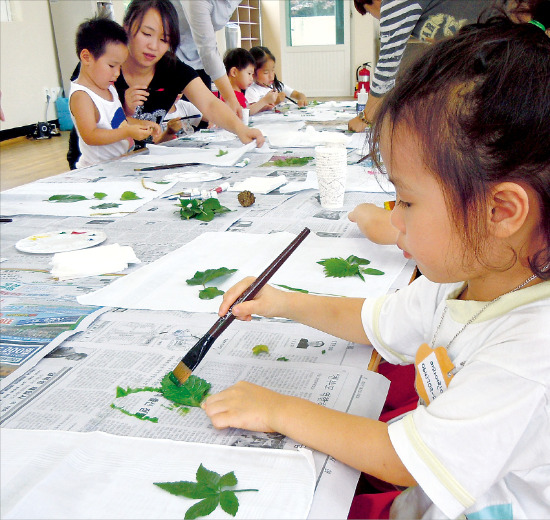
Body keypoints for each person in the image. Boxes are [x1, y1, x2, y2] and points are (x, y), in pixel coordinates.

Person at [202, 8, 550, 519]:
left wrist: (277, 409)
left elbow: (404, 460)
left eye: (406, 202)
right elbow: (371, 319)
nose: (396, 220)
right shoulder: (466, 278)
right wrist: (283, 302)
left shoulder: (530, 351)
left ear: (500, 211)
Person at [67, 0, 263, 169]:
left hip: (135, 161)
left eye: (164, 39)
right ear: (127, 27)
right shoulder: (101, 66)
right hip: (95, 164)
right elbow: (93, 128)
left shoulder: (171, 68)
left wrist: (241, 129)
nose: (154, 46)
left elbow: (209, 104)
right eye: (146, 33)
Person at [348, 0, 493, 133]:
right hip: (492, 53)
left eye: (373, 13)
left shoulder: (393, 3)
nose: (380, 19)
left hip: (505, 30)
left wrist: (365, 118)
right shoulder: (421, 13)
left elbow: (387, 66)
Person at [69, 16, 159, 169]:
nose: (117, 73)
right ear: (86, 57)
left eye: (120, 66)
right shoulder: (82, 96)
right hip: (96, 170)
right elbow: (90, 136)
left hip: (118, 163)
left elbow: (117, 121)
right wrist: (127, 132)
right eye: (111, 65)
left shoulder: (109, 87)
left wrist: (142, 124)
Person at [170, 0, 244, 117]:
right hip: (172, 55)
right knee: (181, 119)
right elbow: (207, 49)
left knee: (205, 118)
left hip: (198, 58)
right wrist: (231, 99)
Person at [222, 48, 278, 115]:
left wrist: (263, 107)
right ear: (234, 72)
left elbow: (247, 109)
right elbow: (243, 113)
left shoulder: (239, 93)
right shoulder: (230, 95)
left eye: (252, 74)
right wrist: (264, 101)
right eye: (249, 73)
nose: (251, 78)